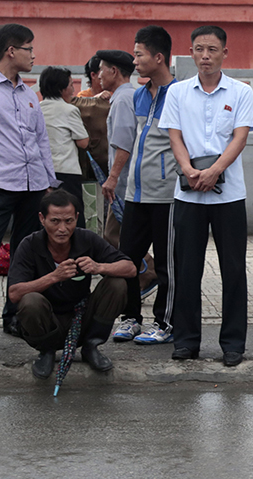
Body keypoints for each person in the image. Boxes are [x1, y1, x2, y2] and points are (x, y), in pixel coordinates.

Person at [160, 25, 253, 367]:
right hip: (187, 195)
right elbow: (174, 136)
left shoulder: (241, 92)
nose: (205, 56)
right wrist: (189, 171)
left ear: (224, 54)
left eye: (212, 50)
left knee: (234, 270)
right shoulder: (177, 93)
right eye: (199, 49)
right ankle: (186, 340)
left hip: (229, 194)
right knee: (187, 270)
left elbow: (240, 138)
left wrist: (215, 170)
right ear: (191, 53)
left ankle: (233, 343)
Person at [0, 23, 59, 355]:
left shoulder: (29, 94)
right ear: (11, 51)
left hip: (33, 185)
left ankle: (14, 318)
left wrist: (49, 183)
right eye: (29, 49)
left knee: (25, 253)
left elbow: (41, 141)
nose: (33, 55)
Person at [7, 190, 135, 378]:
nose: (62, 229)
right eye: (55, 221)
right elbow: (14, 293)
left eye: (69, 221)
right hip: (46, 323)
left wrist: (99, 266)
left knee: (117, 283)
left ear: (76, 217)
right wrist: (54, 276)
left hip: (80, 319)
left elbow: (130, 268)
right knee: (30, 300)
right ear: (42, 219)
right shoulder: (29, 244)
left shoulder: (86, 239)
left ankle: (92, 345)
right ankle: (46, 352)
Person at [111, 26, 180, 345]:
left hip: (166, 196)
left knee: (167, 265)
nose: (134, 60)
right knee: (126, 260)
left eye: (139, 54)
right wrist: (114, 178)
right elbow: (127, 142)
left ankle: (165, 323)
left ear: (159, 57)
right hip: (134, 194)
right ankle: (129, 318)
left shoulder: (181, 95)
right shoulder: (138, 95)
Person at [38, 66, 90, 229]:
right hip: (66, 172)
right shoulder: (69, 110)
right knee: (72, 217)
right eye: (71, 85)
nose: (73, 90)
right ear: (61, 89)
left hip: (41, 172)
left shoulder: (37, 109)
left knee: (46, 217)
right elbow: (83, 142)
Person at [97, 49, 136, 246]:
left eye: (101, 70)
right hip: (128, 184)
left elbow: (124, 143)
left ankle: (148, 274)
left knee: (114, 238)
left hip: (122, 187)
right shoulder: (132, 95)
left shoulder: (122, 100)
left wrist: (112, 178)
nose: (99, 76)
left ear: (113, 71)